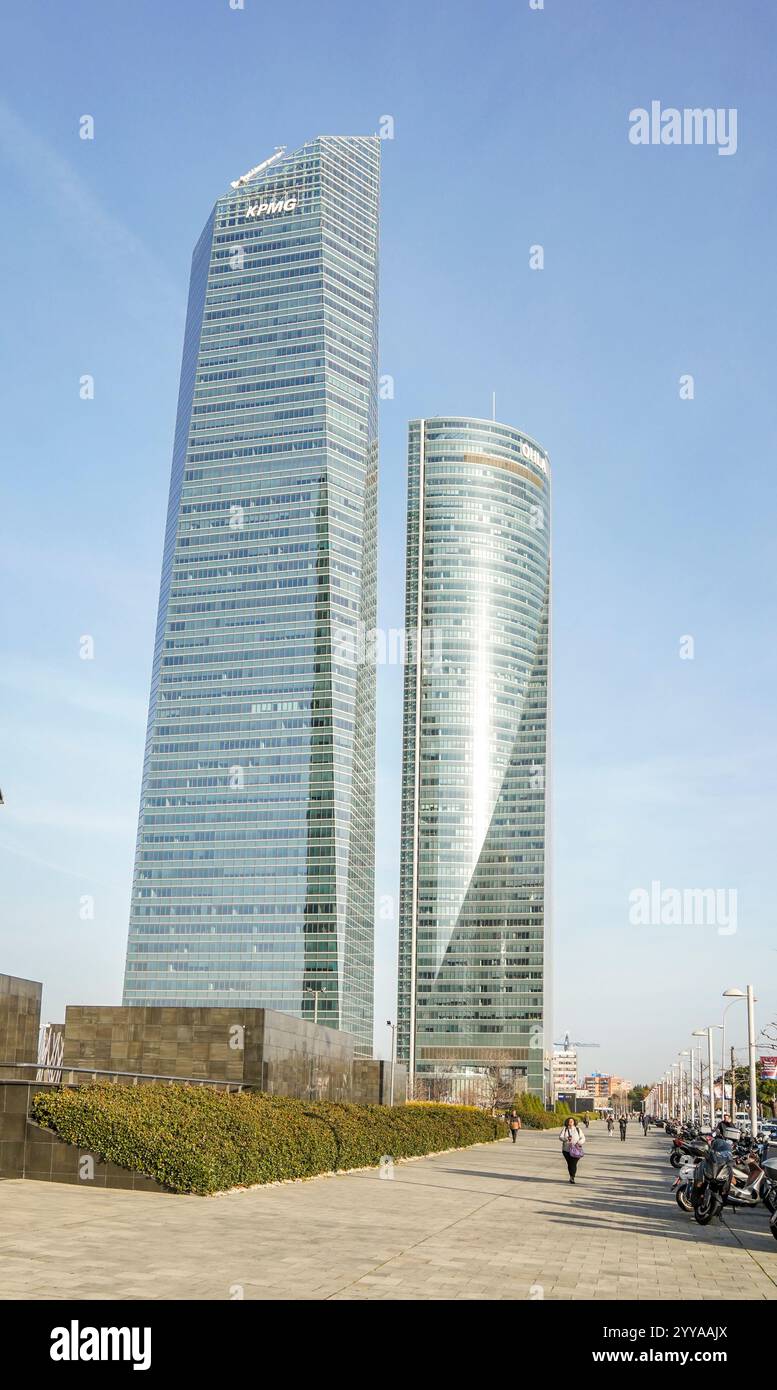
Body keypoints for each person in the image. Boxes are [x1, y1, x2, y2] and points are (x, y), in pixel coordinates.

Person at [559, 1115, 586, 1183]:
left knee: (573, 1163)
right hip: (566, 1150)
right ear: (567, 1122)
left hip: (576, 1150)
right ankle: (571, 1176)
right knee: (569, 1164)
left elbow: (583, 1138)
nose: (570, 1122)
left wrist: (579, 1143)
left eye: (572, 1121)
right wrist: (566, 1138)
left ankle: (572, 1177)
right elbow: (560, 1137)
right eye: (569, 1121)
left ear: (574, 1122)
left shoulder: (578, 1129)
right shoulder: (565, 1129)